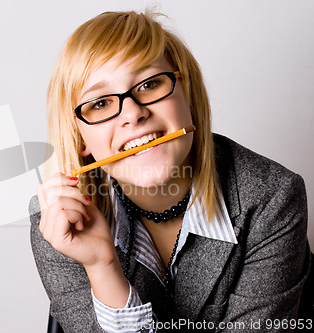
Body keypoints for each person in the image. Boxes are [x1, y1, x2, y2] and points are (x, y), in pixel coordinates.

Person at [29, 10, 312, 332]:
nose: (133, 113)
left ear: (187, 94)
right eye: (100, 103)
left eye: (149, 84)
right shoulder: (59, 218)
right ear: (81, 140)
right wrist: (102, 266)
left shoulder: (271, 198)